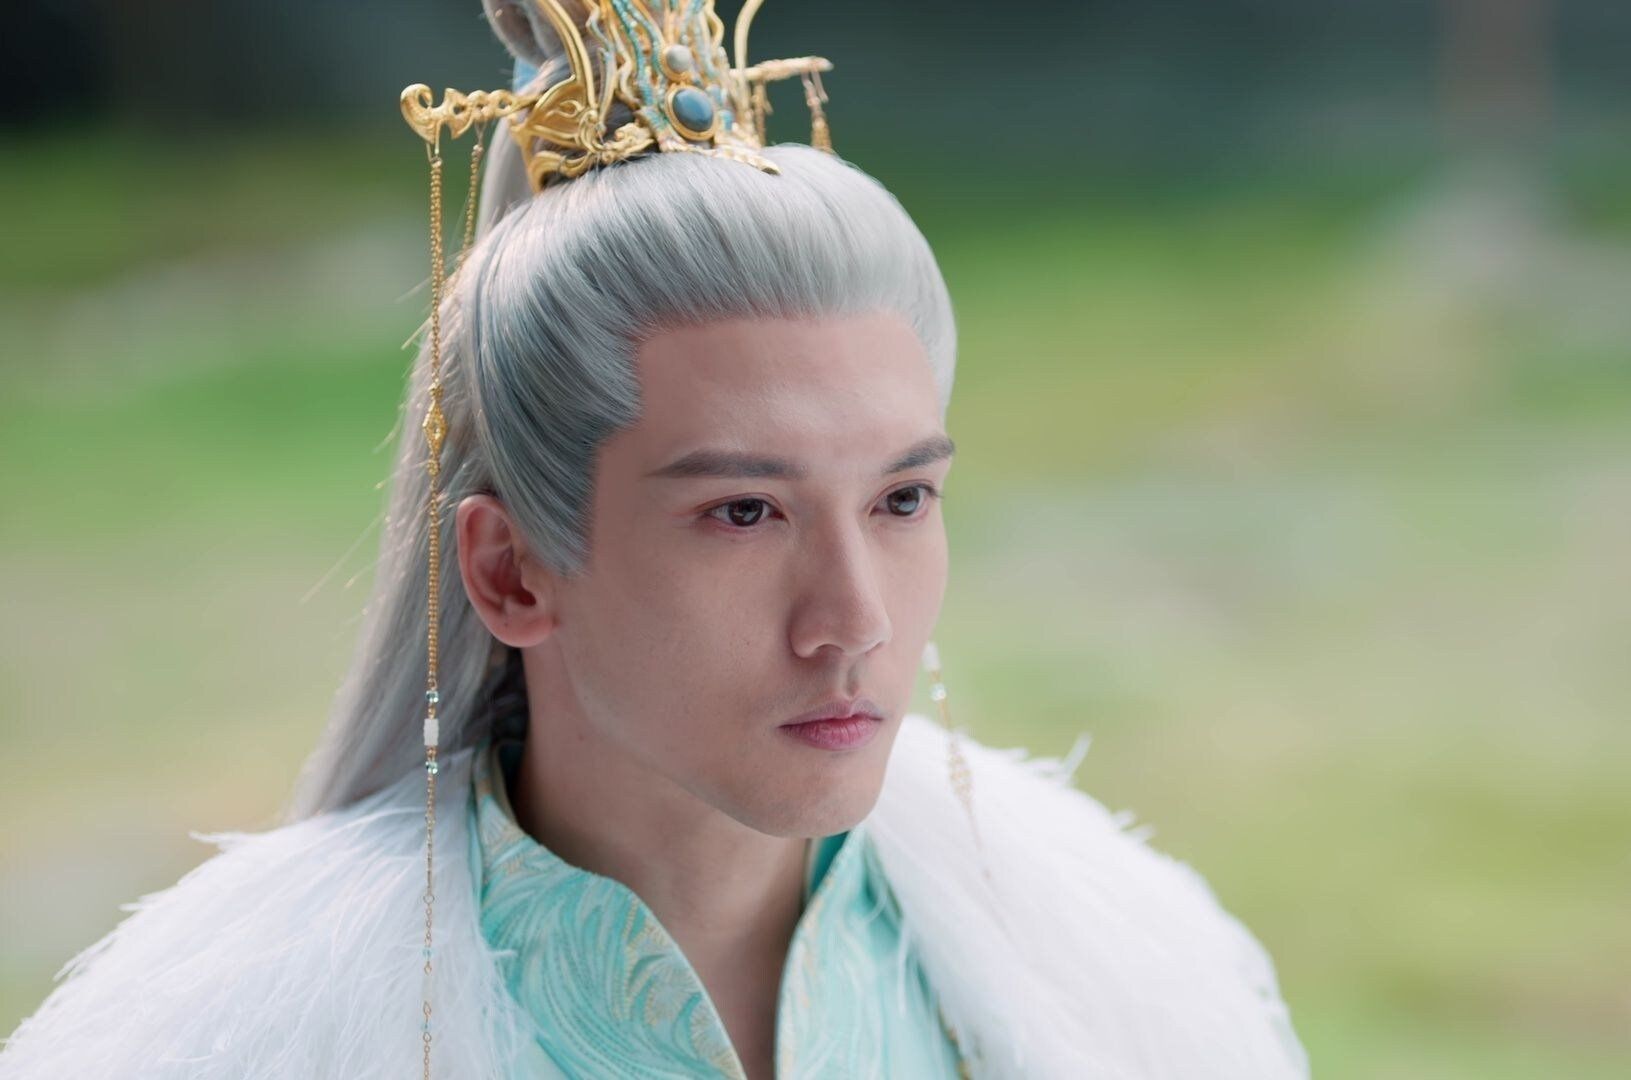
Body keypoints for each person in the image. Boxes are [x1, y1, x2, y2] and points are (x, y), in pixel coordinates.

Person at [0, 2, 1309, 1077]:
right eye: (743, 512)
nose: (854, 621)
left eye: (903, 500)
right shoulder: (259, 1039)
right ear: (511, 570)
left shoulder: (1103, 982)